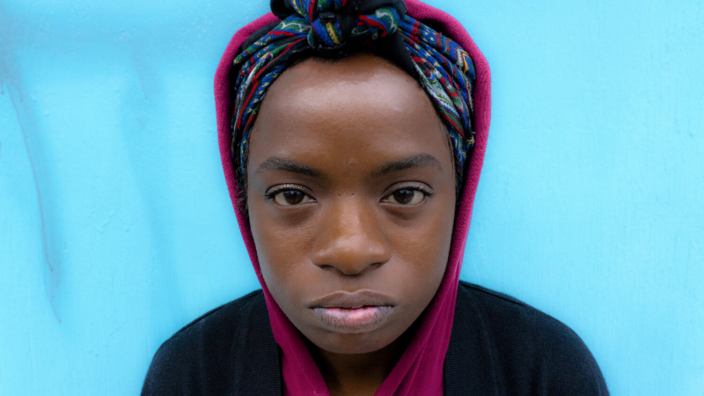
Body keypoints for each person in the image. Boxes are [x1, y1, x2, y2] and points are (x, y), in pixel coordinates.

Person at [142, 0, 610, 395]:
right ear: (244, 198)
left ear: (459, 197)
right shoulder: (195, 375)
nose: (350, 250)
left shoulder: (539, 372)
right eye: (291, 195)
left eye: (404, 194)